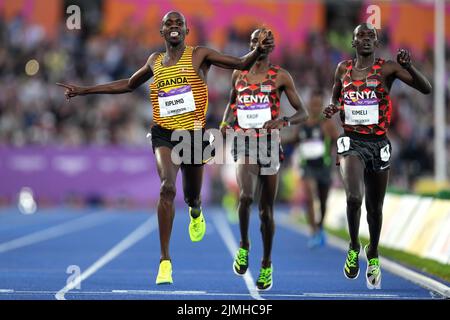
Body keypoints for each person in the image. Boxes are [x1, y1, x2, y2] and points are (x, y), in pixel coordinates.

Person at [57, 11, 274, 285]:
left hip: (193, 137)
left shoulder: (199, 55)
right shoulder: (154, 61)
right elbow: (128, 84)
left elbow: (241, 63)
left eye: (178, 24)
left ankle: (195, 212)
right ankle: (164, 262)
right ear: (162, 32)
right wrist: (85, 90)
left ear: (186, 31)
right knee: (167, 188)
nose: (174, 27)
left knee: (191, 197)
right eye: (168, 24)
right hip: (164, 135)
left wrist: (257, 49)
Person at [323, 23, 431, 289]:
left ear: (377, 42)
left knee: (375, 208)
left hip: (378, 142)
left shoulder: (388, 68)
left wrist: (410, 66)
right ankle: (353, 246)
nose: (366, 39)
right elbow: (336, 95)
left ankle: (372, 252)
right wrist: (334, 107)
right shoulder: (342, 69)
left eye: (371, 36)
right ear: (353, 42)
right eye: (361, 35)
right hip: (352, 140)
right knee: (353, 197)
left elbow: (426, 88)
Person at [220, 29, 308, 291]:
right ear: (250, 45)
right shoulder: (238, 72)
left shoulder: (281, 76)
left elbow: (302, 112)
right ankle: (244, 245)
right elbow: (231, 102)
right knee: (245, 196)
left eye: (266, 42)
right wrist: (225, 121)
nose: (261, 45)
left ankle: (267, 263)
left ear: (271, 47)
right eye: (257, 41)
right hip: (243, 141)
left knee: (265, 211)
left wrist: (284, 120)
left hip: (269, 144)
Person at [287, 89, 339, 248]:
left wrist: (338, 157)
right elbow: (295, 139)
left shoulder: (327, 123)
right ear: (309, 104)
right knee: (309, 196)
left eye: (319, 105)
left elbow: (337, 141)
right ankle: (313, 230)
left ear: (322, 106)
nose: (316, 108)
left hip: (323, 165)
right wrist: (280, 140)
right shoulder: (302, 122)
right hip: (307, 165)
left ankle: (320, 226)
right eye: (313, 104)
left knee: (322, 201)